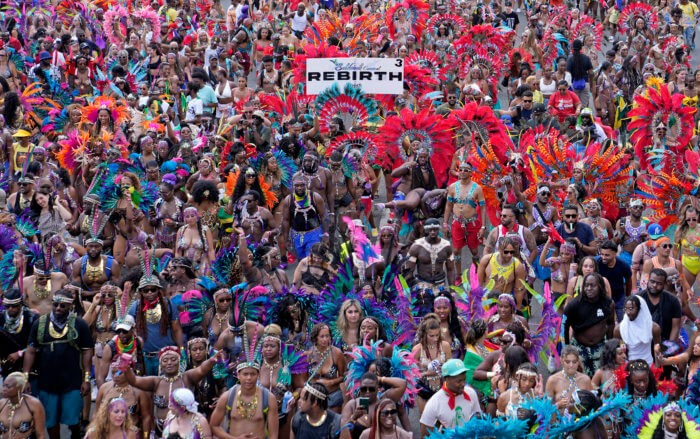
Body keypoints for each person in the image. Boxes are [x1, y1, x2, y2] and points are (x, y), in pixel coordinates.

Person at [22, 289, 93, 439]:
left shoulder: (80, 324)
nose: (58, 308)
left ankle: (75, 435)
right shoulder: (40, 324)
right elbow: (30, 351)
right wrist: (25, 378)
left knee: (73, 418)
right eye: (55, 305)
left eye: (63, 305)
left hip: (72, 382)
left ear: (70, 306)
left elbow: (87, 352)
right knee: (50, 421)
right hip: (47, 383)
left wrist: (86, 379)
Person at [210, 361, 279, 439]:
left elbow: (273, 435)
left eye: (253, 374)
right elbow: (214, 426)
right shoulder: (227, 396)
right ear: (238, 375)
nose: (249, 378)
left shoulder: (268, 398)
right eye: (245, 374)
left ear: (258, 375)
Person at [563, 274, 615, 377]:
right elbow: (565, 325)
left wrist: (610, 344)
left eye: (593, 285)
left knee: (601, 379)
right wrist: (567, 346)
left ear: (600, 286)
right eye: (586, 285)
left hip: (600, 347)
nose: (589, 288)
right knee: (580, 379)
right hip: (579, 348)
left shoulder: (608, 303)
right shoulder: (574, 304)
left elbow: (610, 323)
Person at [404, 218, 456, 317]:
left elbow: (451, 269)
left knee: (443, 315)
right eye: (430, 229)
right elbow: (408, 271)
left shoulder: (446, 246)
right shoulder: (417, 246)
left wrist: (452, 291)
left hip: (440, 285)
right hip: (422, 286)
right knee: (424, 316)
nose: (432, 232)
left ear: (439, 229)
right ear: (425, 230)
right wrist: (409, 291)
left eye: (435, 229)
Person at [443, 161, 488, 271]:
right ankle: (458, 275)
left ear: (471, 173)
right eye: (460, 170)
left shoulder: (477, 188)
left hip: (472, 224)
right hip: (457, 223)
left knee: (474, 251)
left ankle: (476, 273)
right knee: (456, 251)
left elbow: (483, 208)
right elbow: (448, 206)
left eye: (466, 170)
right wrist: (445, 224)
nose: (462, 172)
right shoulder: (453, 187)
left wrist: (483, 227)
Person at [419, 359, 481, 436]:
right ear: (447, 380)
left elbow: (478, 418)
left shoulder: (471, 393)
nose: (463, 384)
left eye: (464, 379)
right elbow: (425, 435)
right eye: (459, 381)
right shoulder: (434, 402)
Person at [0, 289, 37, 378]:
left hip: (29, 369)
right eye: (7, 306)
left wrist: (20, 353)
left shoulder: (32, 318)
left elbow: (39, 345)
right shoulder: (1, 318)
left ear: (20, 304)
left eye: (14, 306)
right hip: (7, 367)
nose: (10, 309)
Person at [614, 295, 661, 366]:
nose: (628, 312)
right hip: (629, 367)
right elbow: (619, 352)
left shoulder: (654, 327)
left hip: (648, 365)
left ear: (639, 309)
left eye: (631, 309)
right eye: (626, 309)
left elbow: (658, 349)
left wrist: (657, 367)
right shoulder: (619, 329)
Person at [638, 269, 682, 342]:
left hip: (664, 341)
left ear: (664, 284)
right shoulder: (638, 298)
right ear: (648, 280)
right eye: (652, 282)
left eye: (659, 283)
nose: (655, 285)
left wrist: (669, 347)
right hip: (641, 342)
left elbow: (675, 327)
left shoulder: (673, 301)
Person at [544, 345, 593, 412]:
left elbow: (593, 404)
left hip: (582, 420)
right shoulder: (552, 380)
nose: (571, 365)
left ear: (578, 361)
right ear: (561, 361)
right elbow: (545, 408)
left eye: (574, 362)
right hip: (560, 421)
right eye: (567, 362)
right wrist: (558, 405)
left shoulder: (585, 380)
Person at [0, 371, 48, 439]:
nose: (4, 389)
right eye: (3, 385)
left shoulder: (34, 405)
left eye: (8, 386)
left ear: (19, 388)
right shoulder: (1, 404)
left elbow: (41, 435)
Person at [596, 240, 633, 321]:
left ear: (615, 253)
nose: (603, 257)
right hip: (602, 297)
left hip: (618, 296)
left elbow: (629, 281)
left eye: (607, 255)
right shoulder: (597, 262)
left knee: (622, 321)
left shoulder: (623, 265)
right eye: (602, 254)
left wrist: (627, 296)